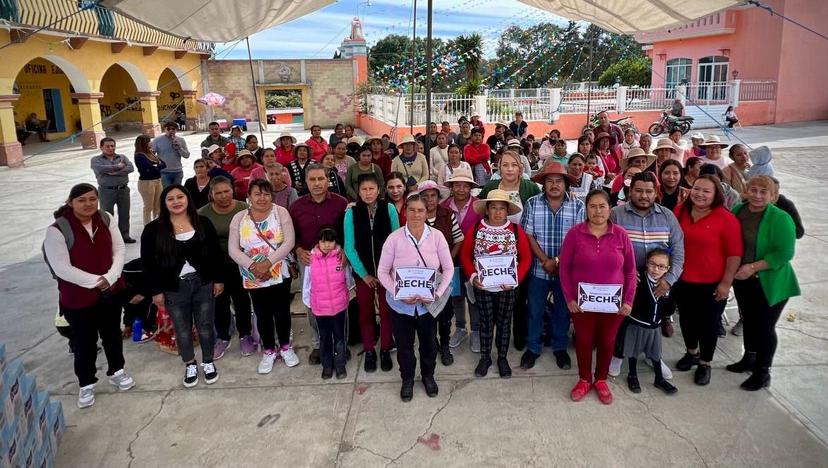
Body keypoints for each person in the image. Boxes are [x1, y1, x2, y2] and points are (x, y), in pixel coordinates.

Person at [44, 183, 135, 408]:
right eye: (81, 200)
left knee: (112, 334)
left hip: (111, 292)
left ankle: (117, 371)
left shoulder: (104, 219)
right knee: (84, 342)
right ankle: (86, 383)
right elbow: (61, 267)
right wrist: (97, 281)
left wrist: (111, 277)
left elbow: (119, 249)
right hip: (78, 298)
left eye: (92, 199)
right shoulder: (57, 229)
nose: (88, 204)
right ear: (70, 202)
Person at [141, 184, 224, 388]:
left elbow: (215, 254)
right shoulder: (153, 229)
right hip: (173, 287)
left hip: (202, 283)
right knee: (182, 329)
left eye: (180, 197)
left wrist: (219, 279)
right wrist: (156, 291)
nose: (176, 202)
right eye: (171, 199)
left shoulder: (203, 223)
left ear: (188, 199)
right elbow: (148, 263)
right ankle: (190, 363)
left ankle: (207, 361)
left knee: (205, 326)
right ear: (164, 202)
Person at [560, 189, 637, 404]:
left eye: (602, 206)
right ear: (586, 209)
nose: (597, 210)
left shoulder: (621, 234)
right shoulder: (575, 234)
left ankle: (601, 379)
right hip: (582, 304)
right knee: (583, 341)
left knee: (607, 341)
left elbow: (631, 271)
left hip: (614, 305)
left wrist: (628, 300)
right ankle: (584, 379)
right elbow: (564, 269)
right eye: (592, 206)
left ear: (610, 209)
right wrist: (569, 299)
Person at [377, 194, 454, 402]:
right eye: (411, 210)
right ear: (405, 213)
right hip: (401, 306)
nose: (416, 214)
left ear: (426, 212)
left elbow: (448, 269)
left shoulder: (437, 236)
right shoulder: (394, 239)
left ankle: (428, 376)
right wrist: (397, 292)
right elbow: (382, 272)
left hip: (427, 306)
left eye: (420, 210)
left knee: (429, 344)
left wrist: (436, 294)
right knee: (404, 346)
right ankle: (407, 379)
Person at [727, 175, 800, 390]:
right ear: (747, 190)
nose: (757, 195)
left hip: (770, 281)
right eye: (754, 190)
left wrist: (752, 267)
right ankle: (749, 358)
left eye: (763, 192)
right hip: (744, 280)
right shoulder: (738, 211)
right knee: (749, 320)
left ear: (773, 196)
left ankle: (762, 371)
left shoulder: (780, 218)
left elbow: (784, 253)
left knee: (765, 327)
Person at [609, 171, 684, 371]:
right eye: (639, 191)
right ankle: (617, 355)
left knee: (653, 321)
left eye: (649, 191)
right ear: (630, 191)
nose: (644, 196)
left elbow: (678, 250)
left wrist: (669, 279)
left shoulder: (667, 216)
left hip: (658, 282)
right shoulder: (617, 214)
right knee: (623, 321)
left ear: (655, 192)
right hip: (627, 280)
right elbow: (608, 246)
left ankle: (653, 356)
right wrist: (623, 271)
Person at [673, 175, 743, 385]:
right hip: (683, 280)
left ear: (716, 194)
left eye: (706, 191)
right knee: (686, 320)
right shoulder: (680, 211)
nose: (700, 194)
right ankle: (692, 353)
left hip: (712, 284)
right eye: (697, 189)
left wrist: (726, 283)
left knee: (708, 325)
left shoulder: (726, 219)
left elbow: (734, 255)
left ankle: (705, 363)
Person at [229, 179, 299, 373]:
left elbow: (289, 242)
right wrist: (255, 267)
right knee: (262, 312)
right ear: (249, 197)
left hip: (278, 270)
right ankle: (268, 350)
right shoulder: (239, 218)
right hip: (253, 274)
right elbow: (233, 249)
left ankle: (285, 347)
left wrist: (268, 263)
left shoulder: (280, 213)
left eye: (266, 194)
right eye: (257, 194)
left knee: (282, 310)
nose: (262, 198)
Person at [520, 163, 585, 370]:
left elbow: (579, 240)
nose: (554, 185)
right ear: (543, 184)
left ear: (566, 184)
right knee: (535, 310)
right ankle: (533, 348)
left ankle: (559, 348)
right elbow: (527, 235)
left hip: (566, 272)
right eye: (550, 181)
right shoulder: (532, 204)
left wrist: (557, 261)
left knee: (562, 312)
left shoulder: (578, 206)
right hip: (538, 269)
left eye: (559, 181)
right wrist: (545, 260)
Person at [460, 190, 531, 378]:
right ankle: (485, 357)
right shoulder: (476, 229)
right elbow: (466, 255)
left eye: (502, 208)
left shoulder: (516, 230)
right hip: (483, 287)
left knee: (504, 323)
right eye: (493, 207)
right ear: (487, 210)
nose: (498, 212)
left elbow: (525, 259)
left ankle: (501, 357)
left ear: (507, 211)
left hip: (507, 288)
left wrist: (515, 279)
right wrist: (473, 276)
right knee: (485, 322)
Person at [290, 165, 349, 364]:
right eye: (312, 179)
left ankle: (341, 343)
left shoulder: (341, 203)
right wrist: (298, 249)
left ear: (328, 180)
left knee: (340, 302)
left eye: (321, 179)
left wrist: (346, 253)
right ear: (306, 181)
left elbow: (348, 231)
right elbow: (292, 235)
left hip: (336, 262)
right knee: (312, 303)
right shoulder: (297, 207)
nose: (317, 184)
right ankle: (319, 344)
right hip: (308, 261)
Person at [344, 173, 400, 373]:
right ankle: (369, 350)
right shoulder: (351, 213)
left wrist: (385, 273)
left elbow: (396, 242)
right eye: (364, 189)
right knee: (365, 313)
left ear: (379, 190)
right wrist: (364, 274)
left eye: (371, 189)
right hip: (363, 274)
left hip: (387, 273)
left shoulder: (389, 209)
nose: (368, 193)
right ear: (358, 192)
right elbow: (349, 248)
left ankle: (385, 348)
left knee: (387, 312)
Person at [197, 177, 255, 359]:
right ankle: (222, 337)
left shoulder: (244, 209)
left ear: (232, 191)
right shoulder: (202, 214)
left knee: (242, 300)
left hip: (241, 263)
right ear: (211, 195)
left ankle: (246, 334)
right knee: (219, 302)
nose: (223, 196)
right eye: (218, 193)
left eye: (226, 191)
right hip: (216, 265)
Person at [414, 181, 464, 366]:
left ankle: (444, 346)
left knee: (445, 312)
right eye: (425, 196)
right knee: (427, 312)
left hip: (446, 273)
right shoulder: (417, 216)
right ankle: (432, 343)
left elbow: (459, 239)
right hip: (424, 275)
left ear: (438, 196)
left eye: (432, 195)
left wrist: (448, 259)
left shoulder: (448, 214)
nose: (429, 199)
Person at [621, 249, 679, 395]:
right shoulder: (639, 280)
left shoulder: (667, 285)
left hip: (655, 327)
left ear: (668, 269)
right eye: (652, 264)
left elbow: (670, 308)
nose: (656, 269)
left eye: (661, 266)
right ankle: (632, 375)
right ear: (646, 263)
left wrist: (666, 298)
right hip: (637, 324)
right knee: (633, 352)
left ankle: (659, 378)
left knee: (655, 354)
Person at [440, 170, 482, 351]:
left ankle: (476, 331)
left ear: (471, 188)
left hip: (473, 260)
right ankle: (460, 328)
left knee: (473, 297)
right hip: (451, 261)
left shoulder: (479, 207)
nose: (461, 189)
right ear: (451, 187)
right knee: (456, 296)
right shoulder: (443, 206)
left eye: (465, 185)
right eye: (457, 185)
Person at [303, 227, 350, 379]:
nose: (327, 245)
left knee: (339, 337)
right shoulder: (311, 259)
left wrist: (345, 295)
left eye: (330, 241)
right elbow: (307, 284)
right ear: (318, 242)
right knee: (324, 338)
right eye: (323, 241)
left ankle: (340, 364)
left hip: (339, 306)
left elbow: (348, 280)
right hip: (320, 308)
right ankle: (327, 365)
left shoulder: (340, 258)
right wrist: (308, 302)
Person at [90, 137, 136, 243]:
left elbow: (130, 168)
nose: (111, 148)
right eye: (108, 146)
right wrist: (118, 166)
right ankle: (108, 238)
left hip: (123, 190)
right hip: (106, 191)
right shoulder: (96, 160)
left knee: (124, 214)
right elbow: (100, 169)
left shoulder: (122, 157)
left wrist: (114, 172)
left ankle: (124, 235)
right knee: (106, 215)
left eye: (113, 146)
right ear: (101, 147)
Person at [478, 151, 541, 225]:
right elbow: (480, 208)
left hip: (524, 235)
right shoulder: (491, 186)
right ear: (500, 168)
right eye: (505, 165)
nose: (510, 169)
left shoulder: (531, 187)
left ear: (520, 168)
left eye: (514, 165)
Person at [134, 134, 166, 225]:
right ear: (144, 143)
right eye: (149, 141)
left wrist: (155, 165)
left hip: (158, 180)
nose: (151, 142)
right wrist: (156, 165)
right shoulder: (139, 155)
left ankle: (157, 224)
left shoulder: (151, 153)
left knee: (158, 205)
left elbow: (164, 164)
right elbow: (148, 169)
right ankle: (147, 226)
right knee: (148, 207)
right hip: (147, 182)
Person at [152, 121, 191, 187]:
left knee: (176, 191)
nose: (171, 131)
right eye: (168, 129)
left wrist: (179, 148)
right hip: (164, 172)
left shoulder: (181, 140)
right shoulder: (157, 140)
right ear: (165, 130)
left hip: (178, 172)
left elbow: (187, 155)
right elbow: (152, 155)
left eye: (173, 129)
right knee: (167, 192)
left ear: (176, 130)